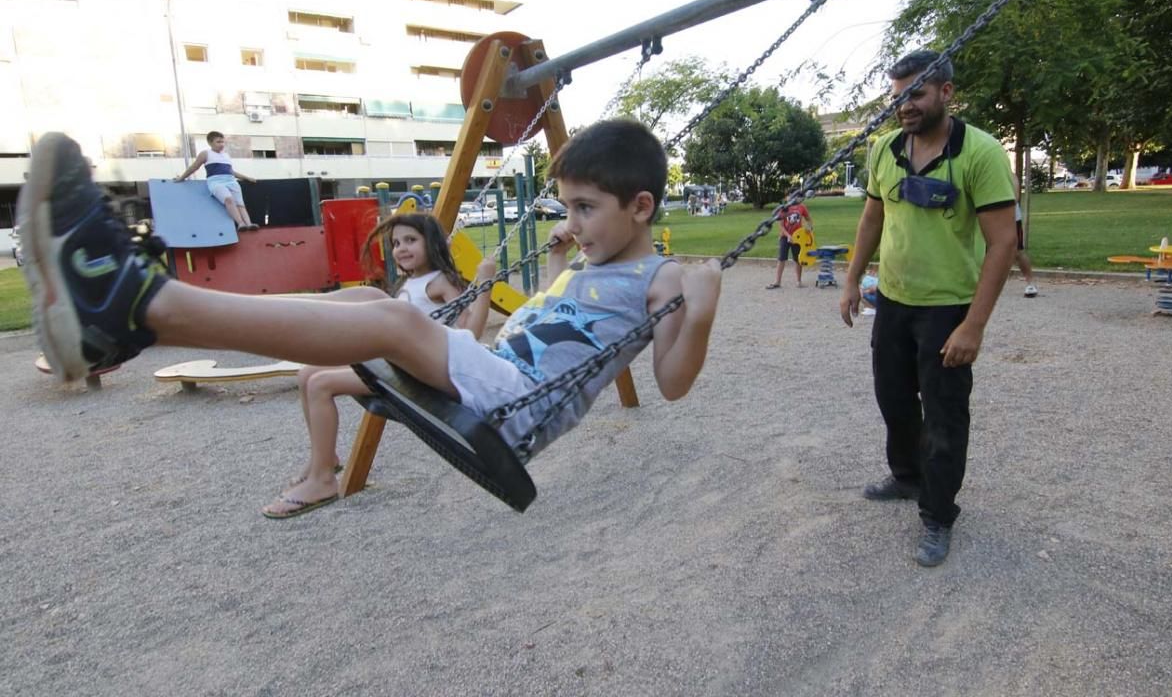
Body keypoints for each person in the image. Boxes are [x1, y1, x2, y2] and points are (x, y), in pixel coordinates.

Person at [19, 120, 723, 506]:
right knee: (368, 301)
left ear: (640, 208)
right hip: (502, 372)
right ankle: (130, 322)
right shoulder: (596, 262)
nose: (573, 219)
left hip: (517, 406)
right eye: (568, 205)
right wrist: (558, 258)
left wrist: (702, 310)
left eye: (586, 208)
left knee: (394, 323)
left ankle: (138, 305)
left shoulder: (661, 279)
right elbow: (556, 319)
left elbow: (674, 380)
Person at [839, 50, 1017, 568]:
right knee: (893, 401)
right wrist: (852, 279)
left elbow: (1003, 243)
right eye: (897, 97)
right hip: (892, 301)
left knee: (943, 418)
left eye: (915, 93)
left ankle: (938, 515)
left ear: (946, 93)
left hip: (947, 309)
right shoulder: (885, 149)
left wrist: (973, 326)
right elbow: (872, 219)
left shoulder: (980, 153)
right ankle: (907, 477)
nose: (904, 106)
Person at [264, 213, 497, 519]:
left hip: (419, 372)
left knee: (321, 384)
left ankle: (322, 481)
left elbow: (471, 333)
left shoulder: (440, 281)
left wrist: (486, 284)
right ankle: (323, 459)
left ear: (433, 244)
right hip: (398, 363)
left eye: (411, 240)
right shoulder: (408, 283)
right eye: (396, 243)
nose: (401, 248)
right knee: (307, 373)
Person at [174, 130, 259, 231]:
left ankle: (249, 224)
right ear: (210, 143)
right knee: (228, 199)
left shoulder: (226, 155)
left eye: (223, 142)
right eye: (218, 142)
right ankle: (240, 223)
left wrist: (247, 178)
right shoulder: (206, 154)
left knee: (240, 203)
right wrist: (181, 178)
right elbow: (194, 167)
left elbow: (231, 171)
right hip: (216, 182)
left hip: (231, 180)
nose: (221, 144)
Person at [767, 201, 813, 289]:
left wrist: (809, 228)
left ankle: (799, 281)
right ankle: (777, 282)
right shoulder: (784, 207)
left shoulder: (801, 207)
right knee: (781, 258)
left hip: (798, 237)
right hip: (784, 237)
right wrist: (788, 236)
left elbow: (809, 219)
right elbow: (781, 225)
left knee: (798, 259)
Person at [1012, 175, 1039, 297]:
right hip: (985, 218)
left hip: (1011, 218)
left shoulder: (1010, 175)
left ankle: (1030, 283)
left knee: (1018, 252)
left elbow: (1015, 197)